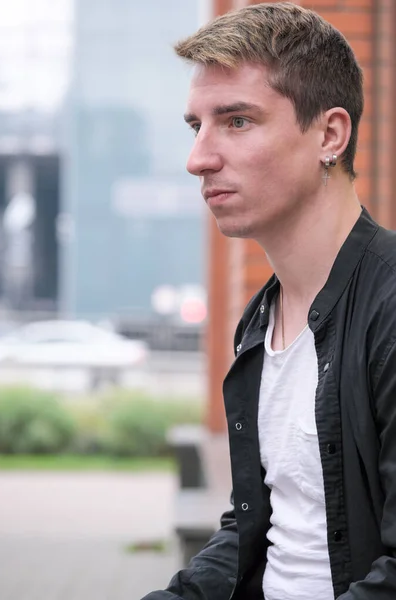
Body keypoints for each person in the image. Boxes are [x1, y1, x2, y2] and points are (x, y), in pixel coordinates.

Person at [142, 2, 396, 599]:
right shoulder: (263, 321)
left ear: (329, 134)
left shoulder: (388, 308)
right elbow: (263, 523)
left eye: (236, 121)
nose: (198, 158)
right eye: (195, 126)